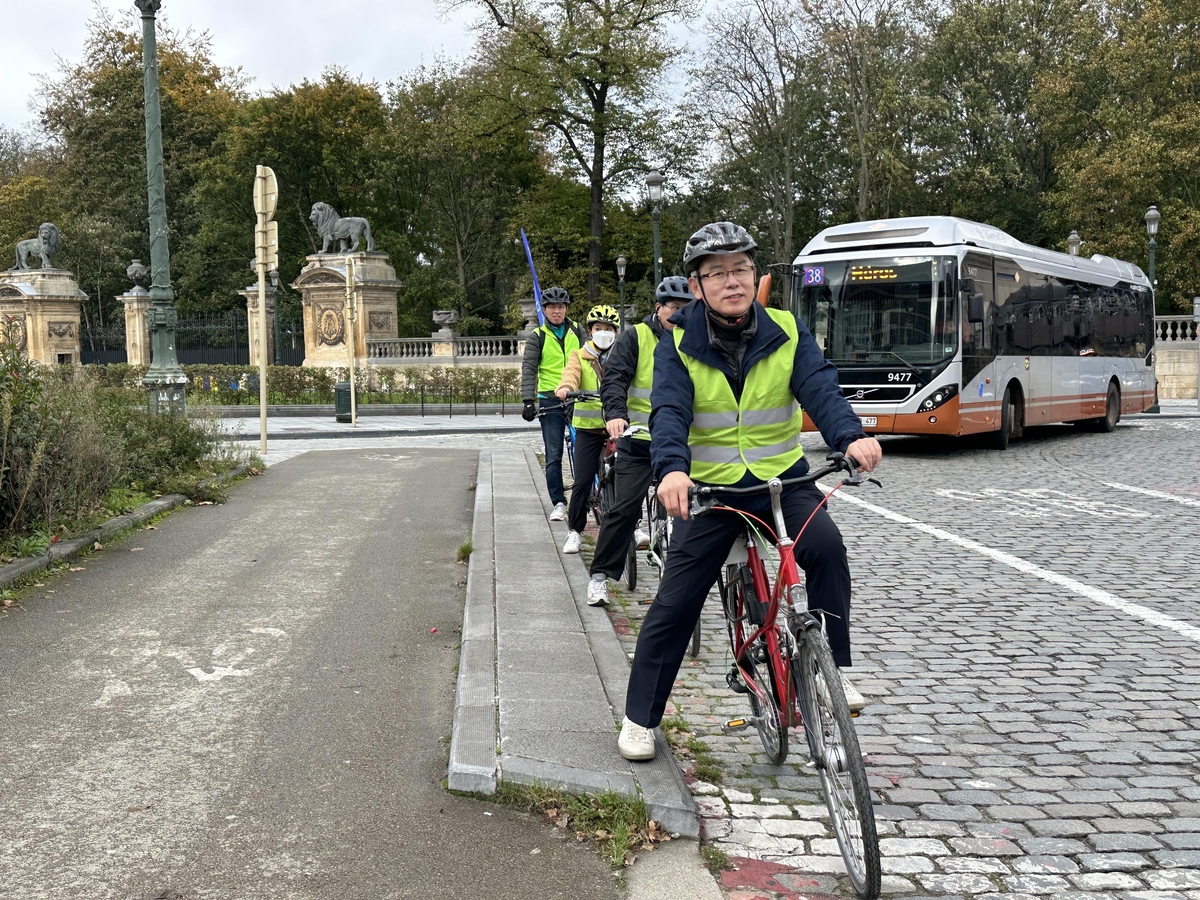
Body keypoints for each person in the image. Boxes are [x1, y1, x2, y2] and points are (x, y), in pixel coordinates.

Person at [617, 222, 884, 762]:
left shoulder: (786, 329)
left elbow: (820, 387)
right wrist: (672, 470)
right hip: (713, 491)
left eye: (740, 269)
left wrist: (850, 435)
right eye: (716, 273)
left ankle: (831, 668)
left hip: (779, 481)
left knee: (828, 550)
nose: (731, 281)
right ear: (697, 287)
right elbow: (670, 411)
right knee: (676, 603)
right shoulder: (677, 345)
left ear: (756, 276)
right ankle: (640, 718)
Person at [585, 277, 693, 607]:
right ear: (658, 308)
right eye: (673, 308)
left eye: (686, 309)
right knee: (624, 509)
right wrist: (616, 414)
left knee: (698, 509)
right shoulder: (636, 337)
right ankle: (600, 576)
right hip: (641, 439)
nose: (679, 315)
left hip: (684, 443)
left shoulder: (698, 336)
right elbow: (615, 377)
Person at [554, 305, 622, 554]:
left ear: (616, 331)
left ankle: (633, 526)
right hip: (588, 430)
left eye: (608, 329)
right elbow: (571, 375)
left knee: (630, 478)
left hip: (619, 428)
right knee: (582, 481)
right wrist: (565, 387)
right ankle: (575, 531)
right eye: (598, 328)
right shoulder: (579, 355)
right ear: (590, 331)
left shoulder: (624, 354)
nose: (603, 332)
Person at [521, 287, 587, 521]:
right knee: (553, 454)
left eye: (560, 307)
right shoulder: (537, 336)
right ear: (545, 310)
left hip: (576, 394)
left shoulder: (578, 330)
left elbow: (591, 359)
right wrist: (528, 400)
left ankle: (587, 495)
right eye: (552, 307)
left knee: (585, 449)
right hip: (549, 397)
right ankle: (558, 502)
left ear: (566, 308)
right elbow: (529, 368)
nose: (556, 311)